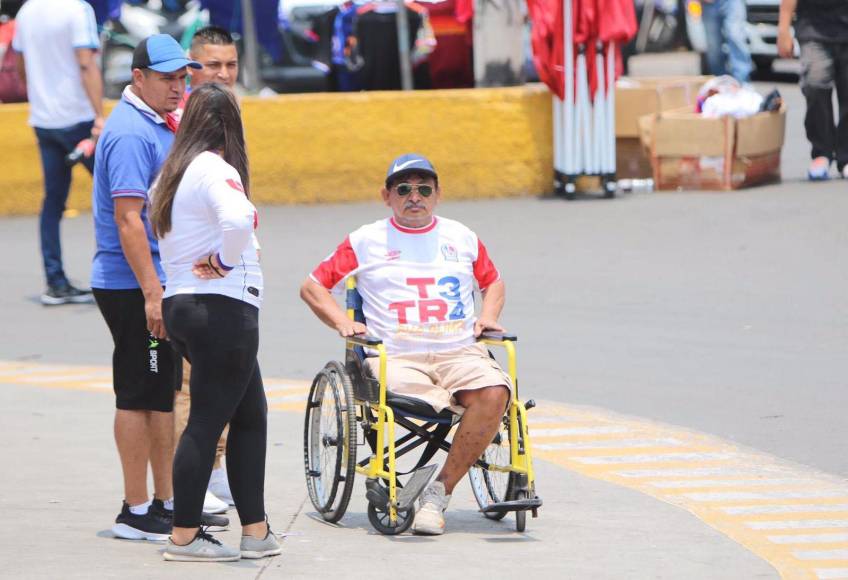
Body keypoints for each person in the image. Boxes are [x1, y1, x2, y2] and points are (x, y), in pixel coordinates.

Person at [300, 154, 511, 536]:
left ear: (437, 195)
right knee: (431, 403)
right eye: (404, 189)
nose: (415, 196)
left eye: (424, 188)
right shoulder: (365, 240)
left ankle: (438, 492)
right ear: (387, 196)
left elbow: (492, 282)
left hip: (459, 349)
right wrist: (343, 322)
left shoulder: (461, 237)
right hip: (396, 354)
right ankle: (422, 467)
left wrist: (489, 314)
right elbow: (313, 286)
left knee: (495, 393)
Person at [151, 82, 280, 562]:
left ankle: (257, 531)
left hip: (185, 305)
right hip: (221, 307)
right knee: (207, 421)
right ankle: (184, 535)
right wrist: (225, 262)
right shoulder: (213, 169)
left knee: (250, 415)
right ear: (229, 125)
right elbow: (240, 220)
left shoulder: (172, 173)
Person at [90, 34, 201, 541]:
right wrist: (153, 293)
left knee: (160, 395)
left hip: (154, 280)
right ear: (139, 79)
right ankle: (135, 511)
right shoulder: (133, 133)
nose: (178, 87)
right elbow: (128, 220)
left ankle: (163, 500)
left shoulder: (158, 122)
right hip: (133, 284)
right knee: (139, 394)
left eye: (182, 77)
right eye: (167, 78)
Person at [170, 25, 241, 515]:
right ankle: (189, 488)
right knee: (190, 389)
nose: (223, 74)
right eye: (213, 66)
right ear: (191, 69)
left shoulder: (228, 117)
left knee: (227, 385)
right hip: (192, 283)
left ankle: (216, 472)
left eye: (231, 65)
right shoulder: (180, 127)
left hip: (228, 283)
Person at [12, 0, 103, 305]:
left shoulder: (26, 11)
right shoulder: (77, 10)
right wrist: (99, 115)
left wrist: (42, 97)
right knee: (120, 193)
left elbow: (22, 68)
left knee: (53, 203)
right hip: (78, 119)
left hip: (44, 121)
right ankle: (125, 275)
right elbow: (85, 63)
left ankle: (55, 281)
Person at [778, 0, 848, 180]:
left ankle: (846, 157)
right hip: (813, 28)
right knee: (814, 84)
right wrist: (783, 29)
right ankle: (821, 153)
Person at [701, 0, 753, 83]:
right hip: (709, 4)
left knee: (735, 36)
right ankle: (721, 82)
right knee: (714, 46)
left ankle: (742, 82)